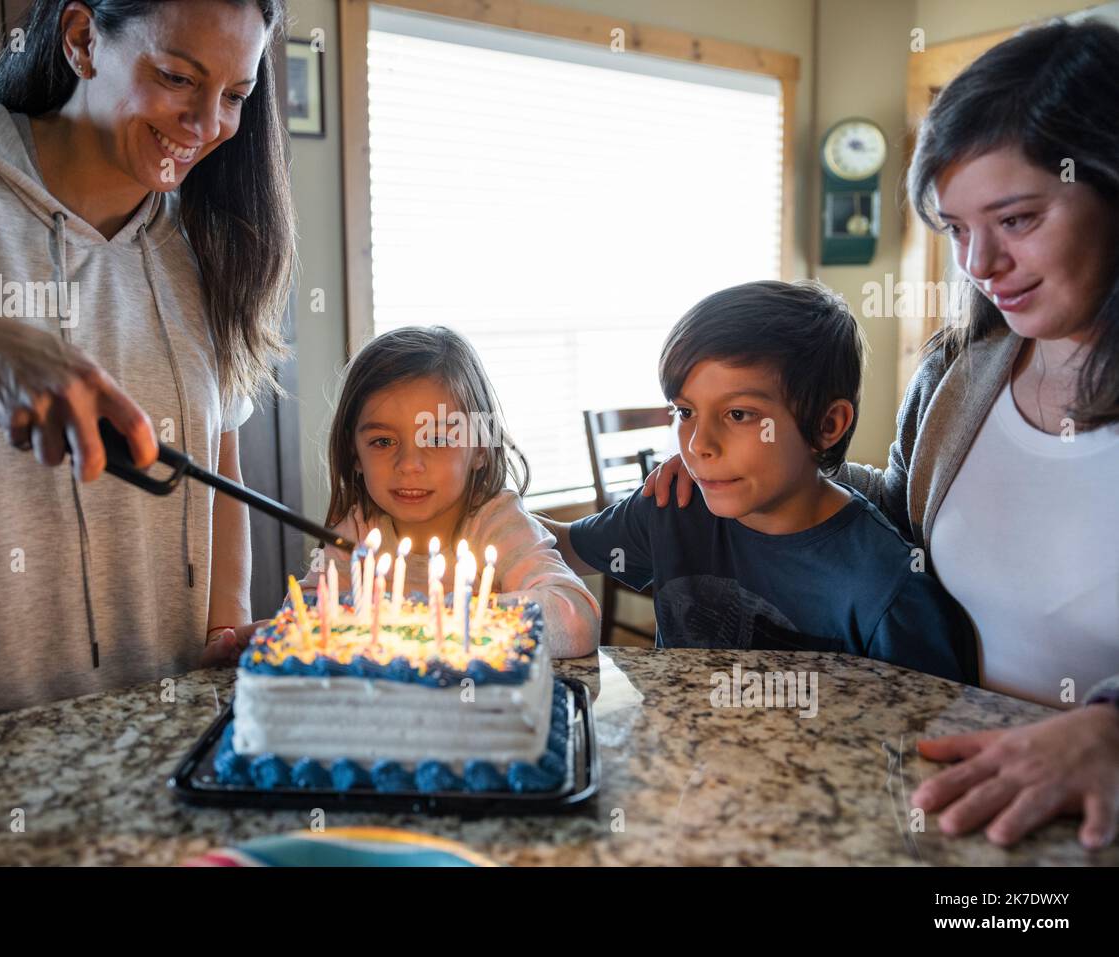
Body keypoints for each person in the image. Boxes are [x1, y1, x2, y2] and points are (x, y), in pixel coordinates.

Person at [643, 20, 1119, 848]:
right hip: (956, 804)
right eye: (956, 229)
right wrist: (757, 460)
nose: (979, 263)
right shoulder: (958, 374)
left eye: (1015, 218)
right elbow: (903, 511)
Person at [0, 0, 295, 741]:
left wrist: (224, 633)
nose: (206, 126)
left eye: (234, 96)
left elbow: (218, 461)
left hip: (150, 736)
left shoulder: (204, 248)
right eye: (176, 76)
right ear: (82, 39)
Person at [541, 280, 974, 681]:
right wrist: (487, 505)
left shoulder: (888, 589)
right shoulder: (674, 508)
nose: (698, 445)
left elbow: (926, 739)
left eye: (738, 415)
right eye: (686, 412)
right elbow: (557, 548)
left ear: (827, 424)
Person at [204, 326, 599, 662]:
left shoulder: (497, 524)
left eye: (439, 438)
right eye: (382, 441)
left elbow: (577, 617)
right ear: (354, 454)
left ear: (480, 448)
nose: (409, 463)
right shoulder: (355, 536)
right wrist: (279, 635)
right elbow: (306, 621)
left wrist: (430, 622)